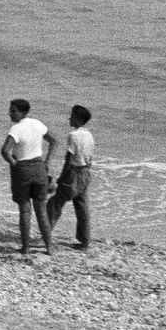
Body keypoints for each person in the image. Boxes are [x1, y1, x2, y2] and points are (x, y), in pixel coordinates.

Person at [0, 98, 55, 254]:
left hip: (22, 170)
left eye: (13, 111)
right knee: (41, 211)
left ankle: (26, 246)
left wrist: (13, 163)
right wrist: (47, 161)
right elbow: (54, 141)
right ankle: (49, 246)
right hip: (39, 168)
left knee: (25, 211)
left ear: (22, 112)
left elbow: (5, 151)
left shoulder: (16, 129)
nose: (10, 113)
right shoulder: (37, 123)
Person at [47, 104, 95, 249]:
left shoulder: (73, 136)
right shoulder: (89, 135)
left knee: (55, 204)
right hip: (86, 172)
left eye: (72, 115)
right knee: (82, 207)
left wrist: (62, 178)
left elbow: (69, 159)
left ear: (78, 118)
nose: (69, 118)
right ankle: (85, 241)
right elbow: (90, 156)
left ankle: (46, 234)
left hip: (74, 173)